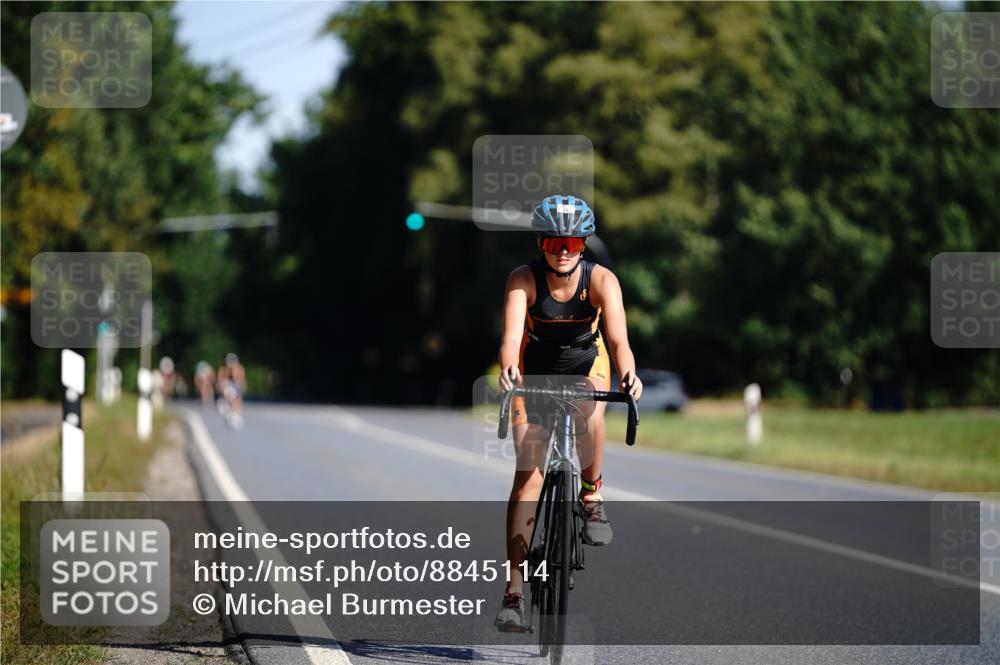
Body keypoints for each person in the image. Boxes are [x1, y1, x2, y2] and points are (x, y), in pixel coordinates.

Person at [494, 194, 643, 630]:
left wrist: (630, 374)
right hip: (534, 371)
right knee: (529, 473)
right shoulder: (523, 280)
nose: (564, 251)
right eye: (555, 243)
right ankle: (515, 591)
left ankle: (591, 494)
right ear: (541, 243)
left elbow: (618, 343)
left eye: (574, 244)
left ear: (583, 247)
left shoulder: (601, 281)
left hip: (584, 365)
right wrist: (507, 368)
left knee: (589, 408)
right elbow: (510, 337)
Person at [216, 353, 247, 427]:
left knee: (237, 397)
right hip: (227, 388)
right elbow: (220, 381)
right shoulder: (223, 369)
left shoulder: (239, 368)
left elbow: (242, 381)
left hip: (236, 387)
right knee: (230, 393)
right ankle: (229, 408)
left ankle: (236, 413)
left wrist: (234, 372)